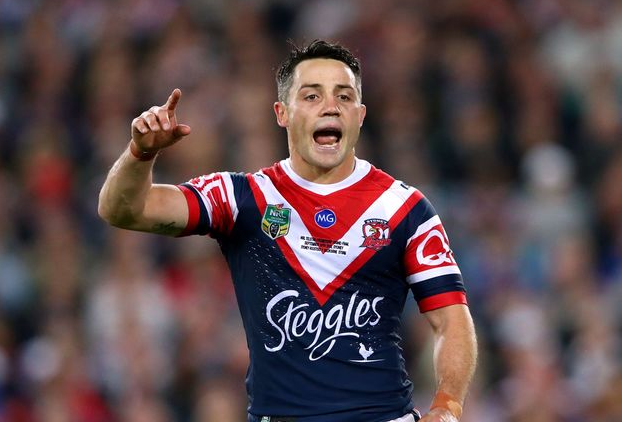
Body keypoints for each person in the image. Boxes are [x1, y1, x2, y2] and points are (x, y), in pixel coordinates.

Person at [98, 40, 477, 422]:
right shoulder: (242, 199)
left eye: (343, 97)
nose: (330, 106)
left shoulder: (405, 209)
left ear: (359, 115)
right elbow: (122, 210)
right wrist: (140, 153)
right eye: (312, 96)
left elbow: (451, 320)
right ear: (282, 112)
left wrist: (446, 406)